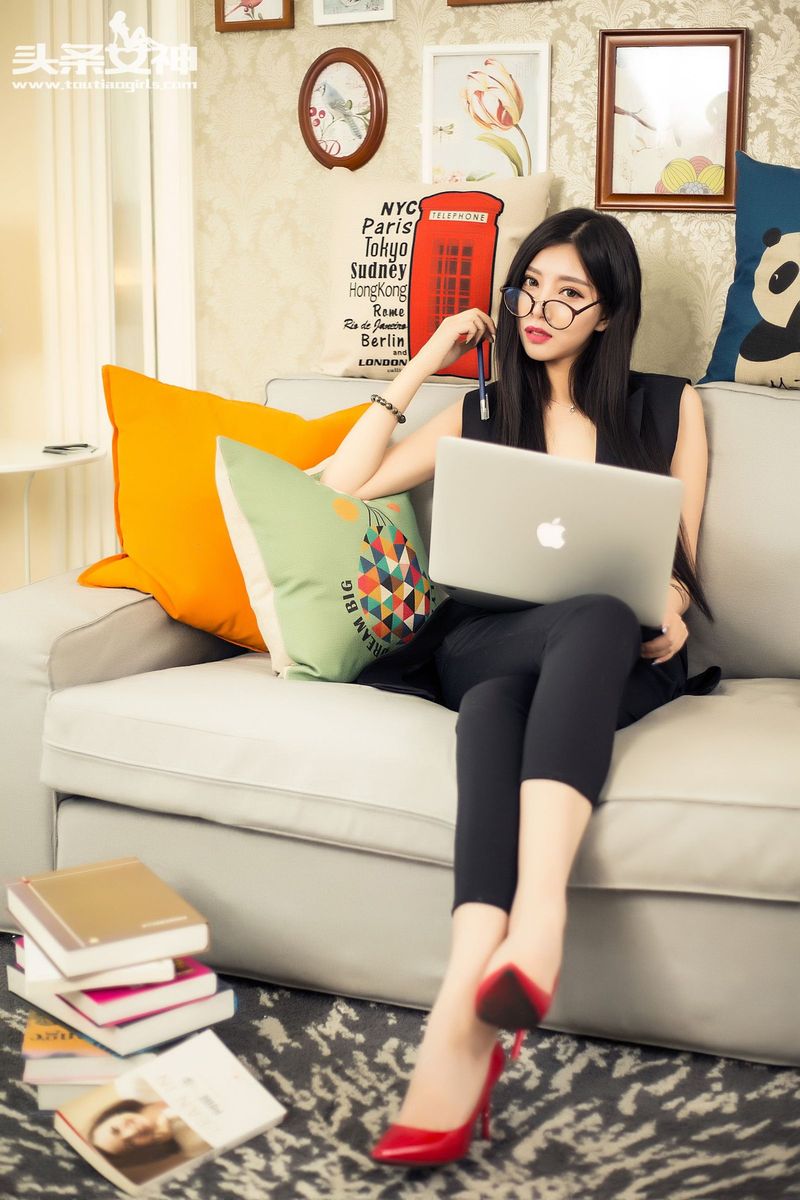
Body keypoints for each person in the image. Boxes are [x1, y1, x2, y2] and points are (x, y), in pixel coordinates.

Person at [320, 206, 721, 1168]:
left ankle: (462, 1011)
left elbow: (681, 562)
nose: (539, 310)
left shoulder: (673, 408)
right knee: (561, 634)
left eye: (568, 295)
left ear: (609, 313)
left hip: (607, 658)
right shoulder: (480, 410)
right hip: (483, 639)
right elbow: (339, 486)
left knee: (533, 683)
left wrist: (670, 600)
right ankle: (537, 926)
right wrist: (423, 364)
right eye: (527, 289)